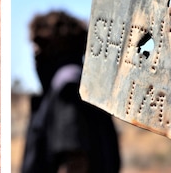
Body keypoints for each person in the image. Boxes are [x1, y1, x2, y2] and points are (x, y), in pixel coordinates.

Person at [22, 9, 121, 173]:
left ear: (49, 48)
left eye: (37, 53)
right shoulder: (85, 84)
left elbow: (74, 162)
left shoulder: (67, 89)